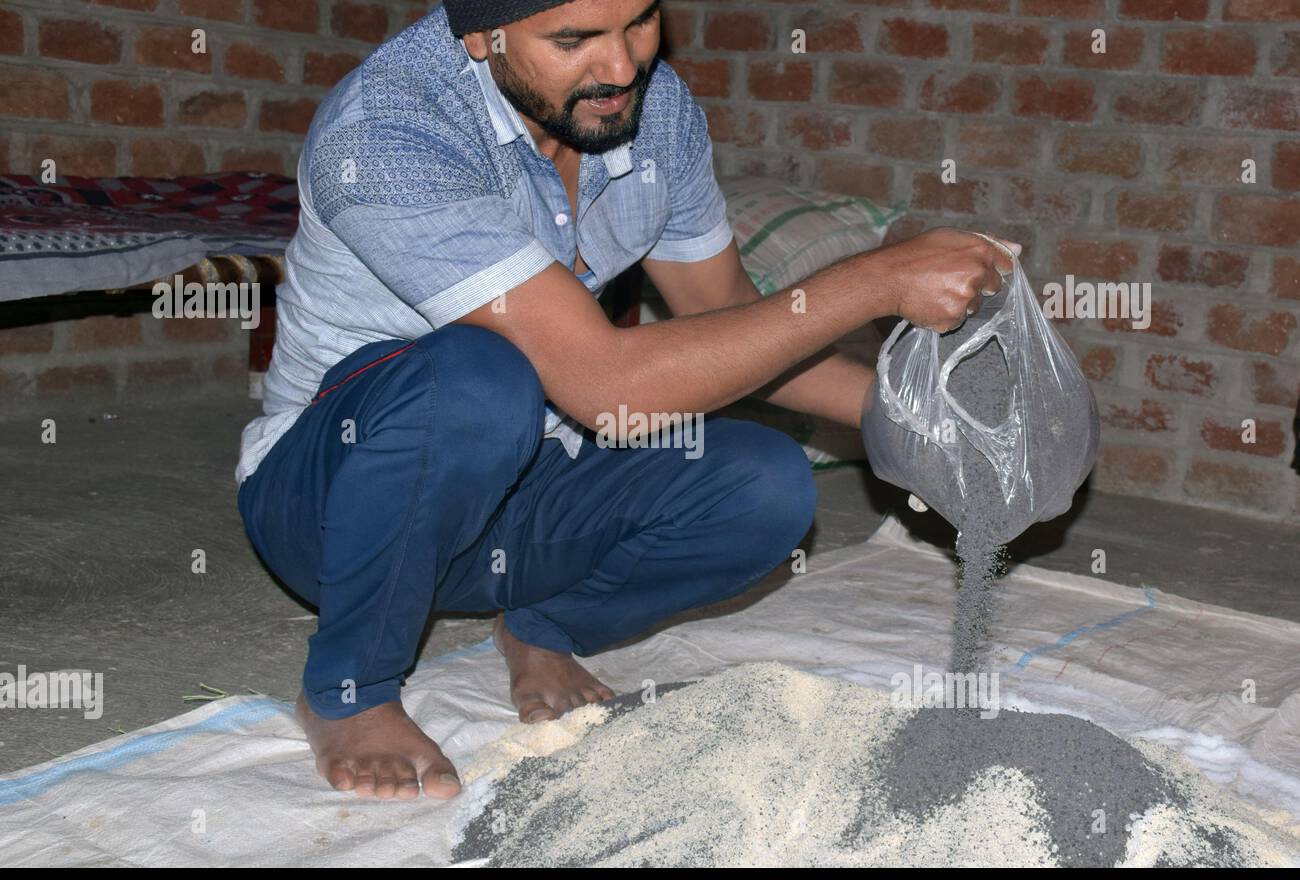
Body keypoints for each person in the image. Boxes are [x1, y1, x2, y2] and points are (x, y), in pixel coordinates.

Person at [235, 0, 1020, 801]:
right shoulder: (389, 130)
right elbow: (608, 389)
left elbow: (726, 316)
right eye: (573, 40)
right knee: (482, 375)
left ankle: (540, 624)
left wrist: (926, 424)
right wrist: (874, 282)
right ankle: (350, 687)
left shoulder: (656, 109)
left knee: (767, 485)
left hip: (523, 489)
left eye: (639, 22)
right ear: (480, 34)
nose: (620, 69)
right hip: (341, 500)